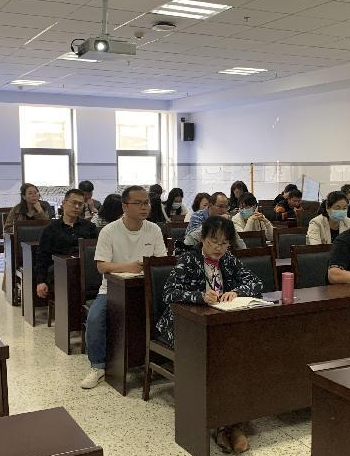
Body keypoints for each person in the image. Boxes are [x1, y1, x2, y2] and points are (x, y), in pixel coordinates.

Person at [156, 216, 262, 454]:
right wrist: (200, 296)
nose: (219, 248)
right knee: (218, 357)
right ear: (202, 239)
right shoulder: (189, 259)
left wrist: (236, 291)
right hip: (182, 324)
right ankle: (227, 426)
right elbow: (169, 293)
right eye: (214, 241)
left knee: (241, 354)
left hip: (217, 323)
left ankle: (228, 424)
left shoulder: (228, 259)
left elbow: (256, 283)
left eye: (224, 243)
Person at [81, 185, 167, 389]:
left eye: (146, 203)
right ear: (125, 206)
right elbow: (102, 266)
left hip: (145, 288)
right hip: (112, 290)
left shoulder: (154, 229)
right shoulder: (109, 231)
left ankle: (159, 360)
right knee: (94, 318)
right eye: (138, 203)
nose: (144, 207)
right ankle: (98, 367)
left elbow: (161, 261)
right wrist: (129, 267)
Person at [35, 189, 97, 300]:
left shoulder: (90, 227)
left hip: (85, 270)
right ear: (64, 203)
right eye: (74, 203)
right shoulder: (50, 230)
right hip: (59, 272)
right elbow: (42, 256)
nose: (77, 207)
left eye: (80, 204)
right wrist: (40, 281)